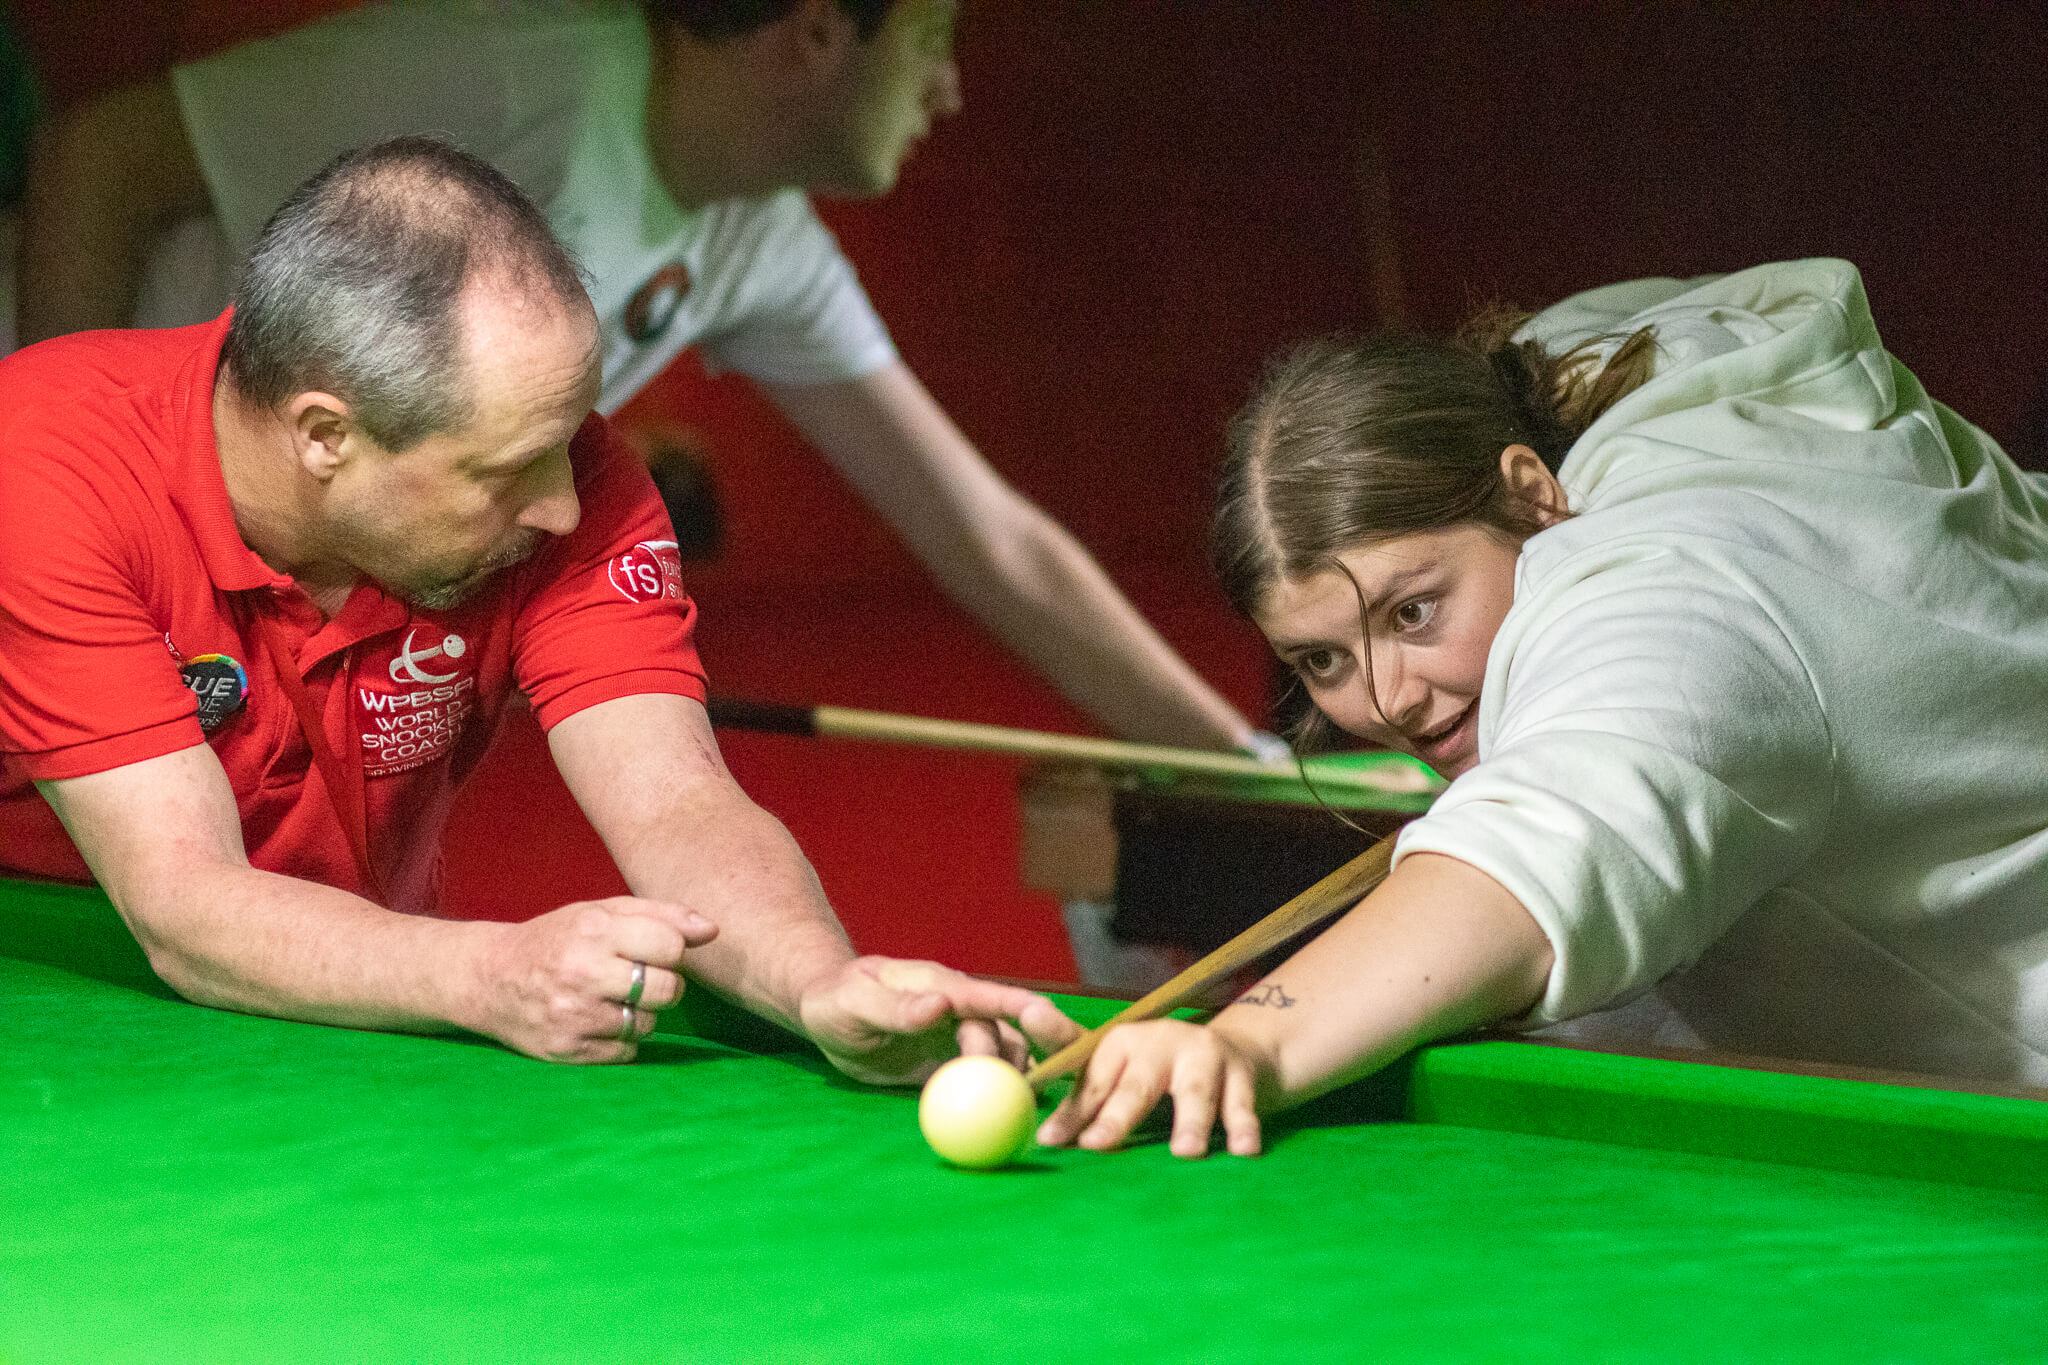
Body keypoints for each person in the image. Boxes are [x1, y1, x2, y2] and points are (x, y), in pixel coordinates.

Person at [0, 135, 1080, 1077]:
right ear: (326, 436)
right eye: (509, 472)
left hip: (364, 1005)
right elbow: (188, 909)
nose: (567, 506)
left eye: (567, 444)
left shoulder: (574, 480)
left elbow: (676, 804)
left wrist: (816, 984)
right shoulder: (44, 466)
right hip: (61, 1019)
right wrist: (496, 969)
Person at [9, 0, 1266, 755]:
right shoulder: (516, 74)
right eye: (932, 37)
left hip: (207, 584)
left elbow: (991, 543)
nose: (947, 87)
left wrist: (1250, 764)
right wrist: (72, 511)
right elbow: (98, 158)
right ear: (816, 34)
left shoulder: (756, 236)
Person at [1037, 258, 2048, 1159]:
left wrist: (1250, 1040)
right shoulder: (1566, 403)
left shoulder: (1679, 597)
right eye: (1321, 658)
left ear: (1529, 495)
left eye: (1412, 609)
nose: (1388, 696)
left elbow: (1553, 843)